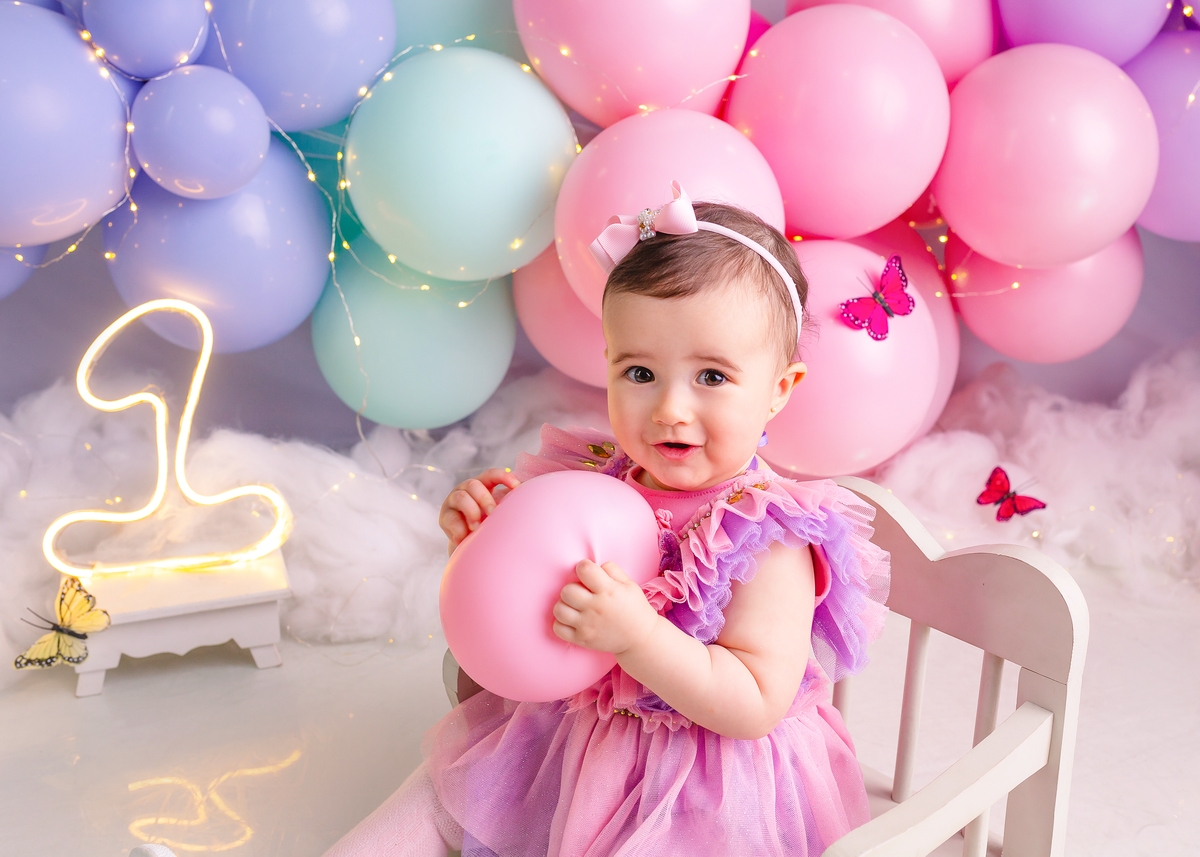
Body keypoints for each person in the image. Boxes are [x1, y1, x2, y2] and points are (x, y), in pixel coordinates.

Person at [324, 182, 890, 857]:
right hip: (570, 742)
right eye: (640, 372)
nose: (670, 409)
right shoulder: (593, 475)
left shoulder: (765, 536)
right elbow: (525, 609)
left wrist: (637, 636)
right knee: (418, 811)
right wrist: (480, 544)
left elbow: (753, 704)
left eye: (712, 377)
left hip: (704, 783)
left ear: (778, 390)